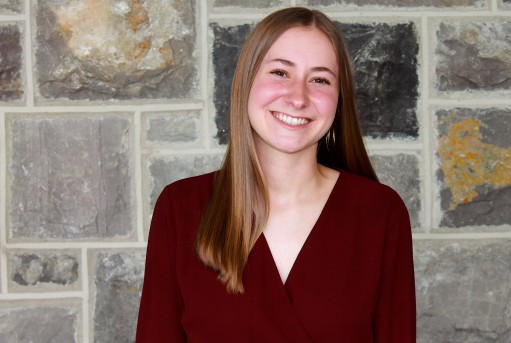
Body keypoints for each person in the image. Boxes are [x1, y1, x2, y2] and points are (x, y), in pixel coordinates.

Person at [136, 6, 415, 342]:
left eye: (320, 79)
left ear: (339, 99)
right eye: (281, 73)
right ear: (246, 80)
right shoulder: (180, 209)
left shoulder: (379, 213)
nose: (298, 97)